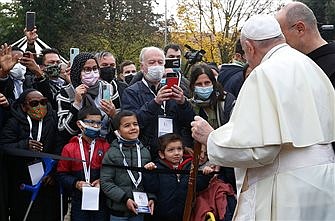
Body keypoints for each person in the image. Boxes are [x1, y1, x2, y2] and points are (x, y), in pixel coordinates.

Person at [191, 14, 335, 220]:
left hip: (289, 188)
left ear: (249, 47)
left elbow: (259, 149)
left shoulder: (264, 73)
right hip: (324, 181)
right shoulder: (309, 65)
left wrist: (210, 138)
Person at [121, 46, 195, 159]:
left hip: (173, 153)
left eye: (160, 62)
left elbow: (189, 122)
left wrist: (183, 103)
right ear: (142, 67)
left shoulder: (173, 89)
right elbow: (132, 123)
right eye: (151, 62)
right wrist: (155, 103)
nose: (157, 66)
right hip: (146, 153)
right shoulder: (131, 92)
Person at [0, 89, 61, 221]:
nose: (40, 106)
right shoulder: (13, 122)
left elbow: (59, 147)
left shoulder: (52, 120)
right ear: (23, 106)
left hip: (47, 182)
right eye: (34, 103)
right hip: (22, 183)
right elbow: (4, 147)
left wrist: (53, 173)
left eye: (43, 102)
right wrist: (24, 145)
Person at [57, 105, 110, 221]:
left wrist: (102, 181)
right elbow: (61, 174)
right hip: (78, 198)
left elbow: (112, 172)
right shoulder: (69, 148)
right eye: (91, 122)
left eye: (99, 123)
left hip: (101, 198)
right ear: (80, 124)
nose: (96, 126)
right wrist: (76, 183)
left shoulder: (105, 146)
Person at [100, 110, 155, 221]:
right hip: (118, 212)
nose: (133, 128)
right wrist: (125, 199)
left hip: (140, 210)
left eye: (135, 124)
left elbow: (149, 181)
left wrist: (151, 197)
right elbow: (106, 182)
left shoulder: (145, 152)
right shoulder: (112, 153)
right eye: (127, 125)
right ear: (118, 131)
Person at [143, 133, 210, 221]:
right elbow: (151, 188)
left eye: (179, 149)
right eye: (171, 150)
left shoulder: (191, 166)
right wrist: (149, 172)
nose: (176, 153)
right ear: (162, 154)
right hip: (160, 216)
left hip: (185, 215)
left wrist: (206, 174)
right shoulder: (157, 168)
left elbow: (199, 186)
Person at [56, 52, 117, 146]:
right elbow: (63, 131)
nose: (92, 73)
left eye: (95, 68)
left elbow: (120, 123)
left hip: (104, 145)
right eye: (87, 69)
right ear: (78, 71)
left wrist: (113, 114)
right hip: (77, 147)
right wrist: (76, 104)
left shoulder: (107, 88)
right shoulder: (67, 92)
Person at [276, 1, 335, 87]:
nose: (279, 41)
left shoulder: (331, 68)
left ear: (300, 29)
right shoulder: (297, 66)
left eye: (281, 34)